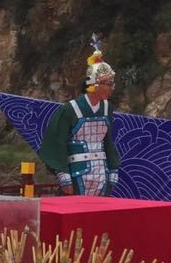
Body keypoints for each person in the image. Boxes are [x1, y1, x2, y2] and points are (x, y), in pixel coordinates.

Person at [39, 38, 120, 196]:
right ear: (95, 84)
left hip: (101, 172)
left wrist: (113, 169)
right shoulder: (70, 109)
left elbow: (108, 141)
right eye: (109, 84)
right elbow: (57, 142)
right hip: (77, 173)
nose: (112, 88)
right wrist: (64, 175)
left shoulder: (107, 108)